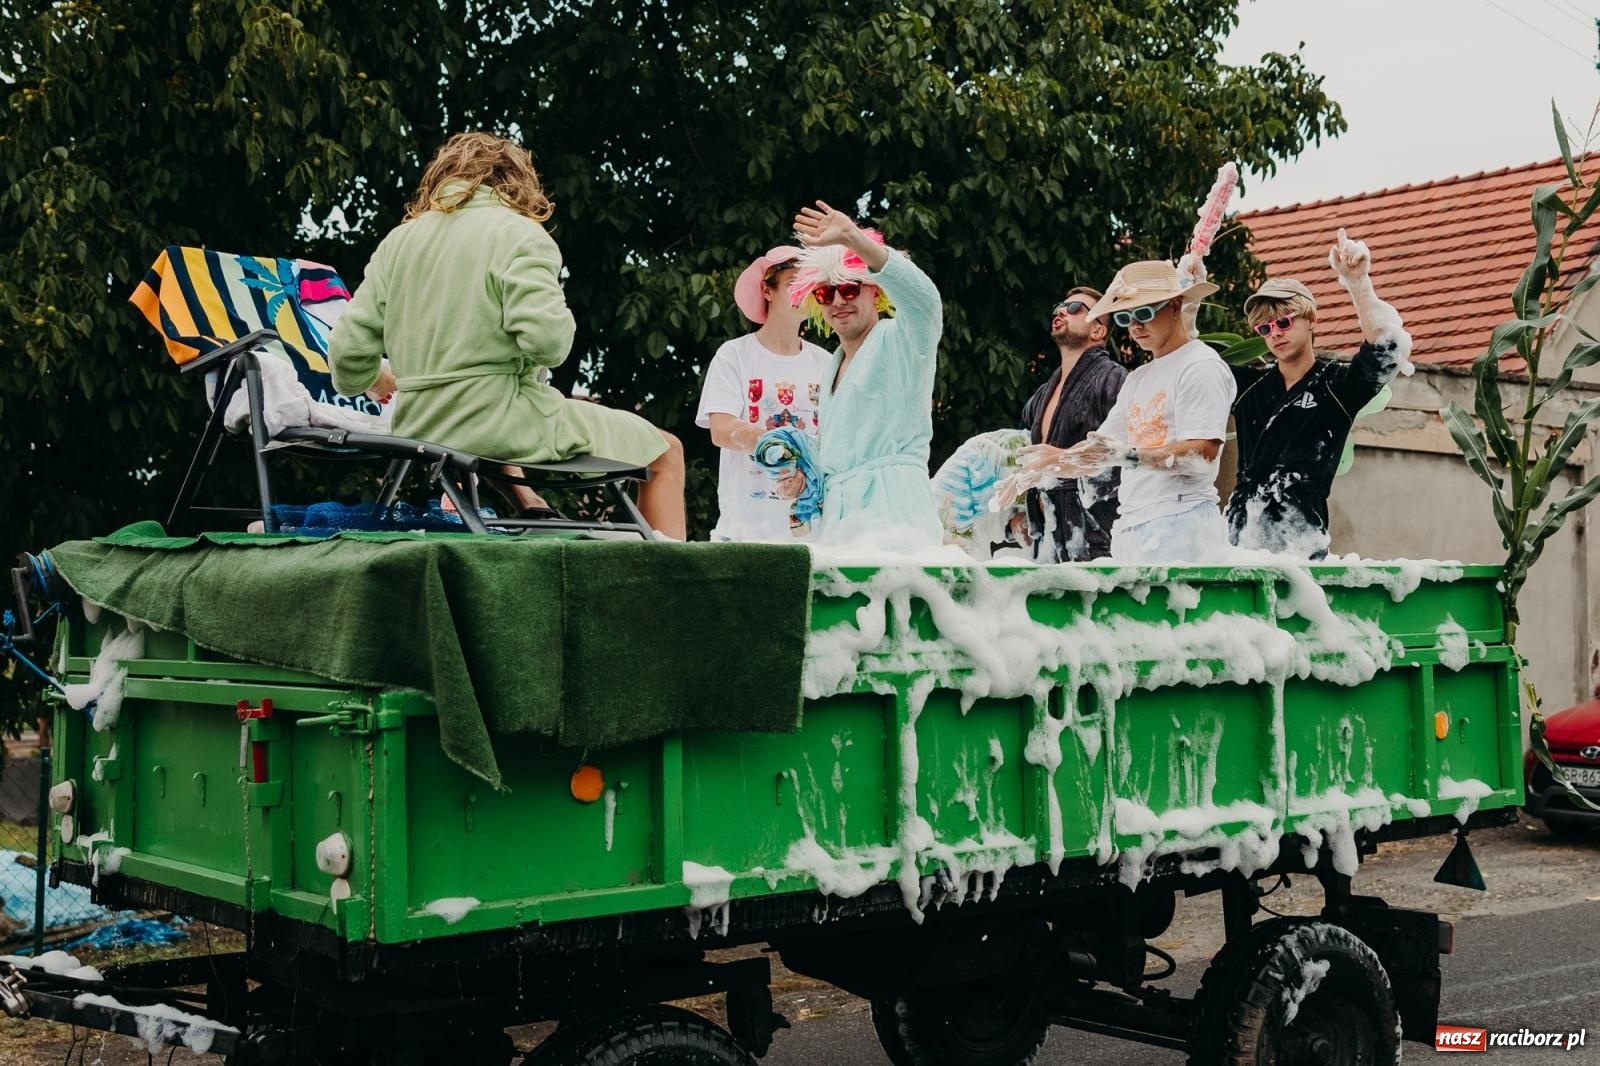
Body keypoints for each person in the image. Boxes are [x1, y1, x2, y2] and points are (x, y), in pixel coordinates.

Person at [329, 132, 687, 538]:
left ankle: (534, 509)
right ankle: (670, 583)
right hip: (497, 421)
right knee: (667, 452)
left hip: (420, 425)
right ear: (516, 180)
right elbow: (549, 345)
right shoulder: (519, 235)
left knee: (493, 420)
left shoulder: (398, 242)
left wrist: (380, 380)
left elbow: (346, 361)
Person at [1020, 260, 1234, 564]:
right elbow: (1100, 448)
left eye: (1145, 312)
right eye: (1125, 316)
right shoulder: (1137, 378)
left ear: (1175, 307)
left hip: (1182, 523)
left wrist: (1128, 456)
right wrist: (1049, 463)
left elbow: (1202, 456)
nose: (1135, 325)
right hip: (1131, 527)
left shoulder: (1200, 366)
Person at [1228, 230, 1410, 557]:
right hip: (1239, 543)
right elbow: (1193, 371)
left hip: (1302, 544)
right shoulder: (1247, 385)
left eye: (1283, 322)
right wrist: (1186, 301)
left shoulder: (1335, 384)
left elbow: (1387, 352)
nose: (1275, 335)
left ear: (1310, 319)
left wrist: (1358, 283)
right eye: (1264, 329)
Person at [788, 201, 943, 548]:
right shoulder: (832, 366)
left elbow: (925, 302)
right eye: (826, 293)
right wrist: (807, 479)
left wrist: (852, 238)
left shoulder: (902, 339)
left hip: (896, 513)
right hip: (840, 523)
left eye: (850, 288)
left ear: (876, 290)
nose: (838, 301)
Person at [695, 247, 831, 540]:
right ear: (767, 290)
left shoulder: (826, 363)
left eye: (810, 285)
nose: (802, 293)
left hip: (816, 537)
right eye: (794, 282)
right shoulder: (735, 354)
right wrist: (787, 448)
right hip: (746, 536)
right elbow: (721, 430)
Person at [1014, 286, 1126, 561]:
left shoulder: (1114, 379)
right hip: (1049, 541)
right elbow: (1026, 458)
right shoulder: (1041, 394)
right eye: (1060, 306)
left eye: (1075, 308)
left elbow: (1128, 459)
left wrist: (1066, 462)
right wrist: (1024, 508)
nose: (1062, 311)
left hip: (1098, 540)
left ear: (1098, 331)